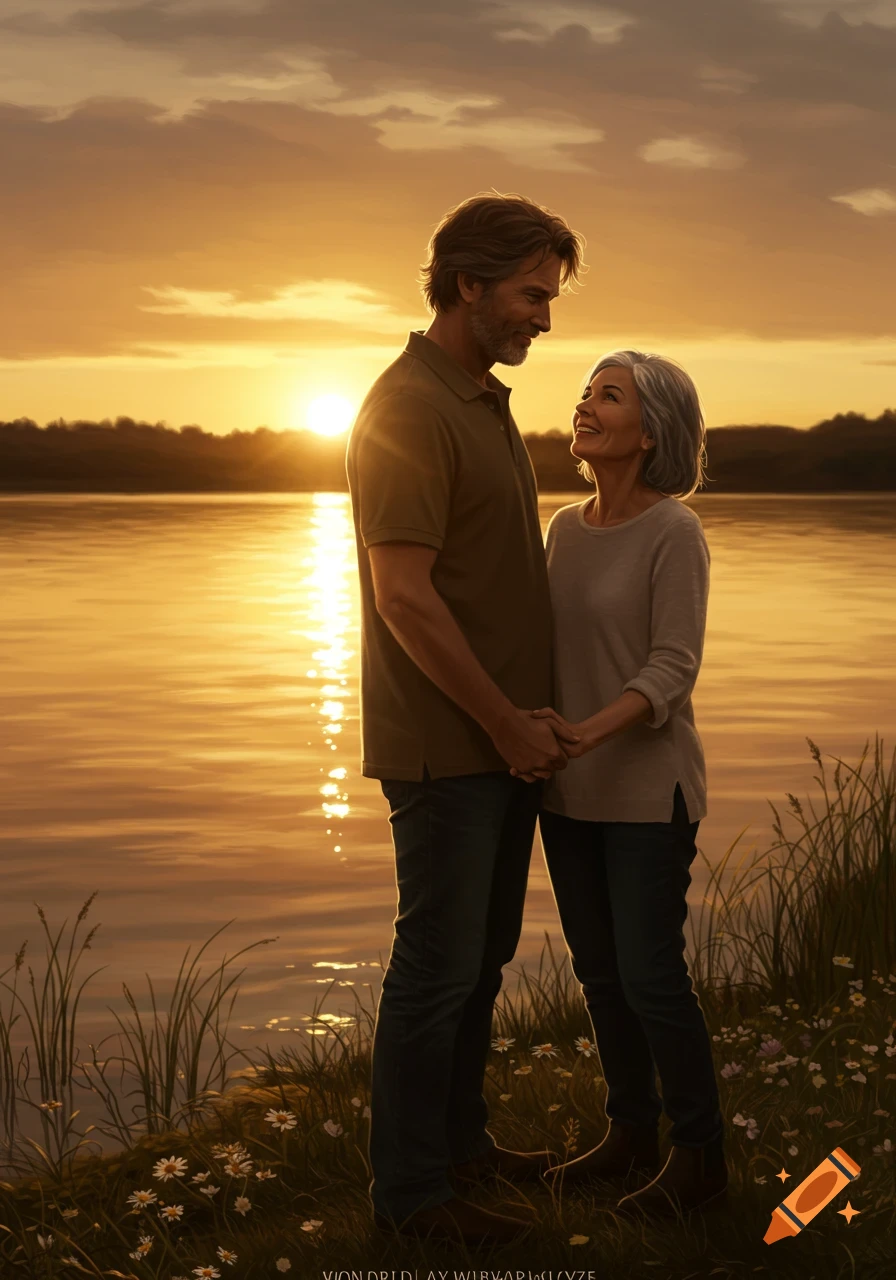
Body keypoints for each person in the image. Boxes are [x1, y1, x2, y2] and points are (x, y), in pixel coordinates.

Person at [345, 191, 586, 1245]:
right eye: (531, 295)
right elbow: (403, 595)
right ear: (467, 283)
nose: (543, 317)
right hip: (450, 746)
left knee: (477, 959)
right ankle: (409, 1199)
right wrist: (499, 723)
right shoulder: (407, 407)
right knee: (437, 968)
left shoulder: (478, 398)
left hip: (502, 743)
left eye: (550, 297)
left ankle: (459, 1149)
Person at [524, 349, 726, 1217]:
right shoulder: (563, 529)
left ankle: (701, 1158)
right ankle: (630, 1135)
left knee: (650, 977)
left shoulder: (674, 531)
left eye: (609, 396)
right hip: (568, 794)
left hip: (648, 794)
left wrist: (583, 733)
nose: (585, 405)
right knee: (602, 977)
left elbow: (673, 667)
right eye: (585, 392)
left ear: (650, 433)